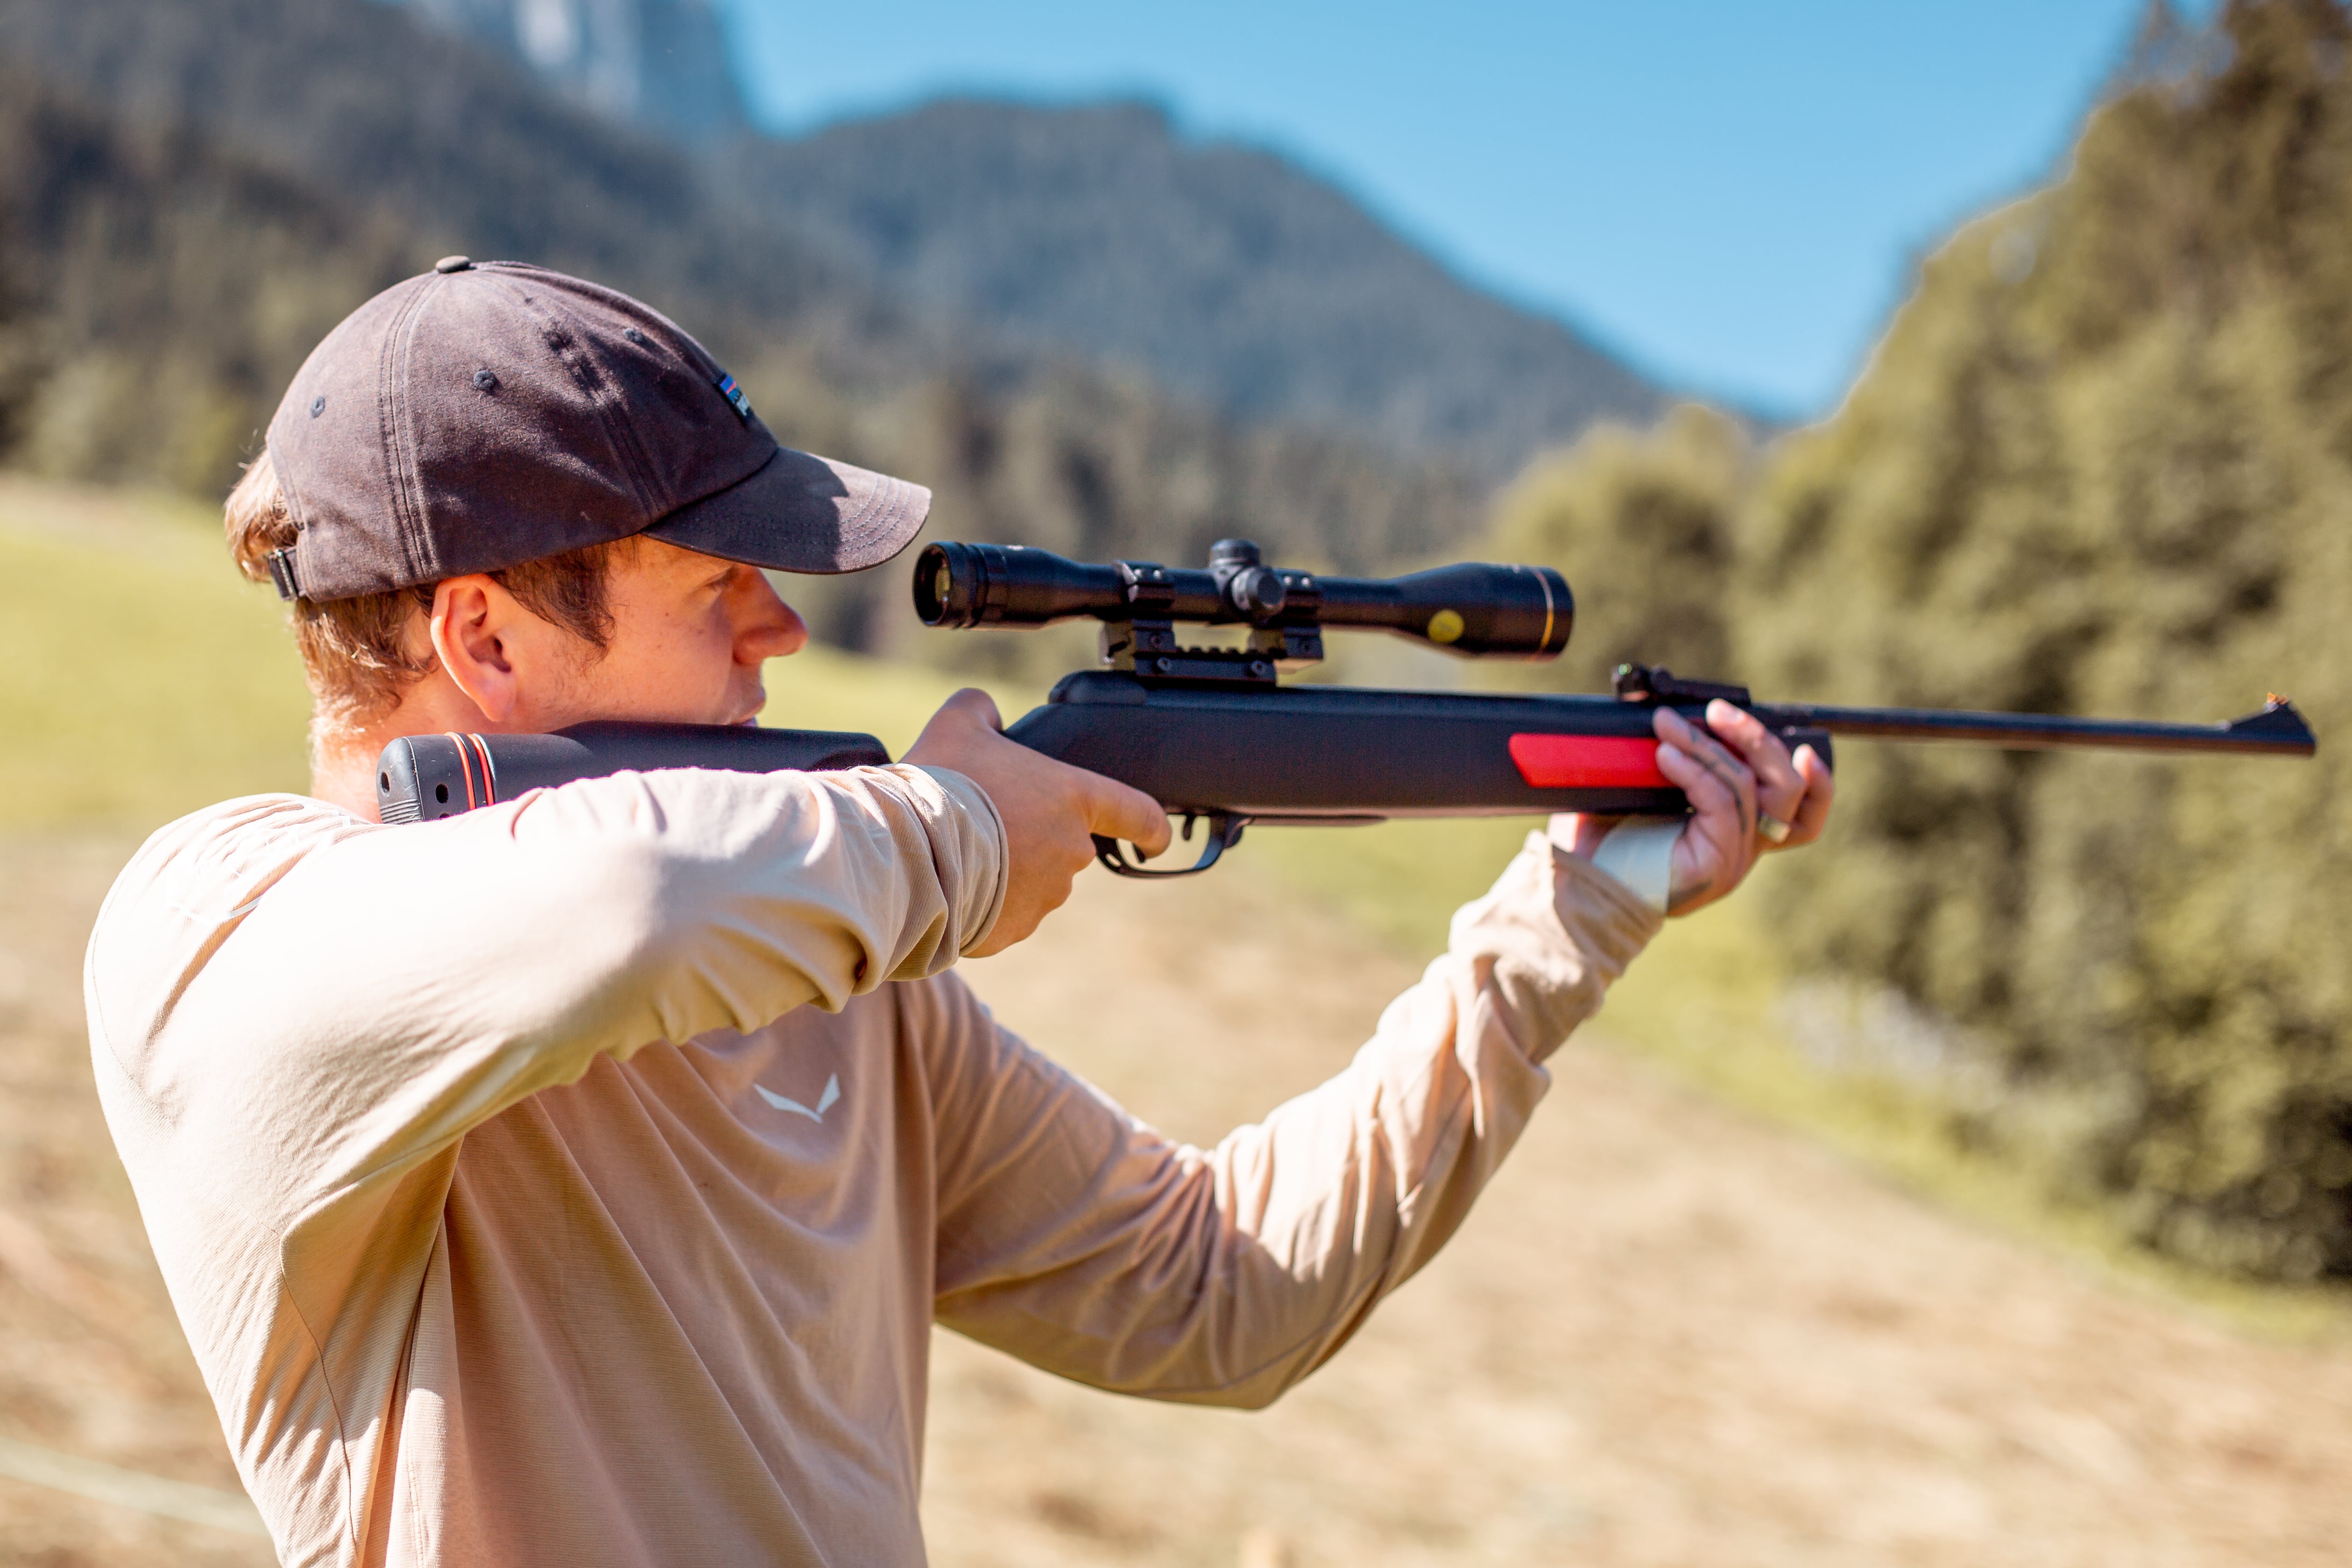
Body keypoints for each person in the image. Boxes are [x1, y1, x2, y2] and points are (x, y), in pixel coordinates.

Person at [84, 261, 1831, 1566]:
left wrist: (1573, 913)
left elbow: (1223, 1293)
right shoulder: (211, 936)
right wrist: (955, 842)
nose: (782, 631)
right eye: (717, 586)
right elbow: (621, 907)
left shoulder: (844, 980)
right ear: (485, 642)